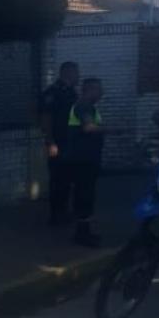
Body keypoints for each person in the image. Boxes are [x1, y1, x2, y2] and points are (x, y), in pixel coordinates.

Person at [39, 61, 79, 226]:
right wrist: (50, 141)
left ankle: (63, 211)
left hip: (70, 143)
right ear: (67, 73)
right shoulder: (53, 93)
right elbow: (47, 118)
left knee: (67, 179)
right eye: (75, 72)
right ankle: (55, 215)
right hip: (58, 142)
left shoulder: (71, 92)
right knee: (57, 179)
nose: (78, 76)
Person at [67, 78, 106, 248]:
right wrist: (112, 129)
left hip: (85, 159)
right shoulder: (83, 106)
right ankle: (82, 234)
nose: (101, 93)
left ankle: (84, 231)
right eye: (98, 89)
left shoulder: (86, 106)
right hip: (83, 160)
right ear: (89, 90)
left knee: (86, 195)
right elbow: (89, 128)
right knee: (85, 196)